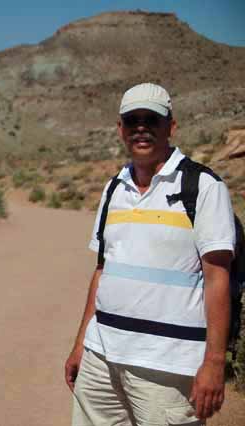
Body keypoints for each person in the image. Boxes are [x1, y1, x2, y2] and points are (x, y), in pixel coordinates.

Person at [64, 83, 235, 425]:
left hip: (167, 365)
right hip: (102, 356)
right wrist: (82, 342)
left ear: (170, 126)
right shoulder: (114, 187)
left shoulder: (202, 187)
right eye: (132, 120)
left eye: (151, 120)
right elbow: (102, 270)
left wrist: (215, 362)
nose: (141, 128)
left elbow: (218, 278)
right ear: (120, 129)